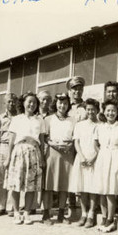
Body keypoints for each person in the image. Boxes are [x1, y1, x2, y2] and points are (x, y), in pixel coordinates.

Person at [5, 92, 46, 225]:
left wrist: (42, 158)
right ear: (23, 103)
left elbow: (41, 141)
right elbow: (11, 141)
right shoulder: (17, 119)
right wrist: (8, 157)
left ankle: (27, 212)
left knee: (31, 186)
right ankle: (17, 212)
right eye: (29, 102)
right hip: (18, 152)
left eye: (34, 102)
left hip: (33, 152)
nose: (32, 104)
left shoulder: (40, 120)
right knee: (16, 184)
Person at [93, 99, 118, 232]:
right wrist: (102, 154)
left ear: (117, 112)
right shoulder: (100, 127)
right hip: (103, 157)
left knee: (111, 190)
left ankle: (110, 219)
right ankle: (103, 218)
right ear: (104, 111)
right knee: (102, 190)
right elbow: (95, 144)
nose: (110, 113)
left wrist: (117, 154)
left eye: (113, 110)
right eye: (108, 110)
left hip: (116, 157)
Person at [43, 93, 76, 225]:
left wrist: (70, 145)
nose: (62, 106)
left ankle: (61, 214)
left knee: (64, 185)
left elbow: (75, 137)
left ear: (68, 105)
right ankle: (46, 214)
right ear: (56, 104)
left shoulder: (73, 120)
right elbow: (45, 137)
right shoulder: (48, 119)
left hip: (67, 153)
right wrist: (54, 144)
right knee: (49, 184)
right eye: (60, 103)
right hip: (52, 153)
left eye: (65, 103)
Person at [69, 98, 100, 228]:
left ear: (98, 110)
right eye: (88, 109)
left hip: (95, 159)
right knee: (82, 187)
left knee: (92, 187)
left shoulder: (100, 125)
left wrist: (94, 158)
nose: (91, 112)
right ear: (85, 110)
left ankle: (92, 214)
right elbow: (76, 142)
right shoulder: (80, 125)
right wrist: (81, 156)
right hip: (82, 158)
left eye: (93, 109)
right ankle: (83, 214)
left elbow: (101, 145)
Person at [0, 92, 18, 216]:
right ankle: (0, 206)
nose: (11, 104)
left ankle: (12, 206)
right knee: (0, 178)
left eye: (13, 101)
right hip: (3, 147)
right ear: (4, 103)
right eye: (9, 101)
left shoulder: (20, 118)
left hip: (16, 148)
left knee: (14, 177)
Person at [66, 76, 87, 219]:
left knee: (82, 174)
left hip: (81, 145)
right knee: (69, 175)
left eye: (79, 89)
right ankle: (71, 207)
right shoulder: (65, 106)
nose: (77, 92)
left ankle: (84, 208)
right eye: (74, 89)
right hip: (68, 145)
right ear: (69, 91)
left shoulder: (86, 106)